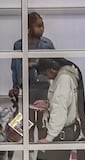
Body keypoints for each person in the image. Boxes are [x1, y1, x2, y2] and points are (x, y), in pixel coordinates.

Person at [34, 58, 85, 160]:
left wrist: (49, 138)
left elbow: (60, 108)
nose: (47, 78)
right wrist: (48, 104)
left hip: (60, 134)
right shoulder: (67, 76)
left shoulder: (63, 79)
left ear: (52, 70)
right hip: (67, 132)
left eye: (45, 74)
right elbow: (62, 104)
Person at [9, 11, 55, 140]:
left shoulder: (47, 44)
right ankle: (28, 150)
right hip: (28, 87)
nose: (41, 29)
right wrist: (15, 87)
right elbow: (15, 68)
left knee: (42, 122)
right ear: (29, 27)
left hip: (43, 86)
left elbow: (54, 65)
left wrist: (34, 63)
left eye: (42, 26)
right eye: (38, 26)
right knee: (28, 122)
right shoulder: (19, 45)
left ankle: (42, 152)